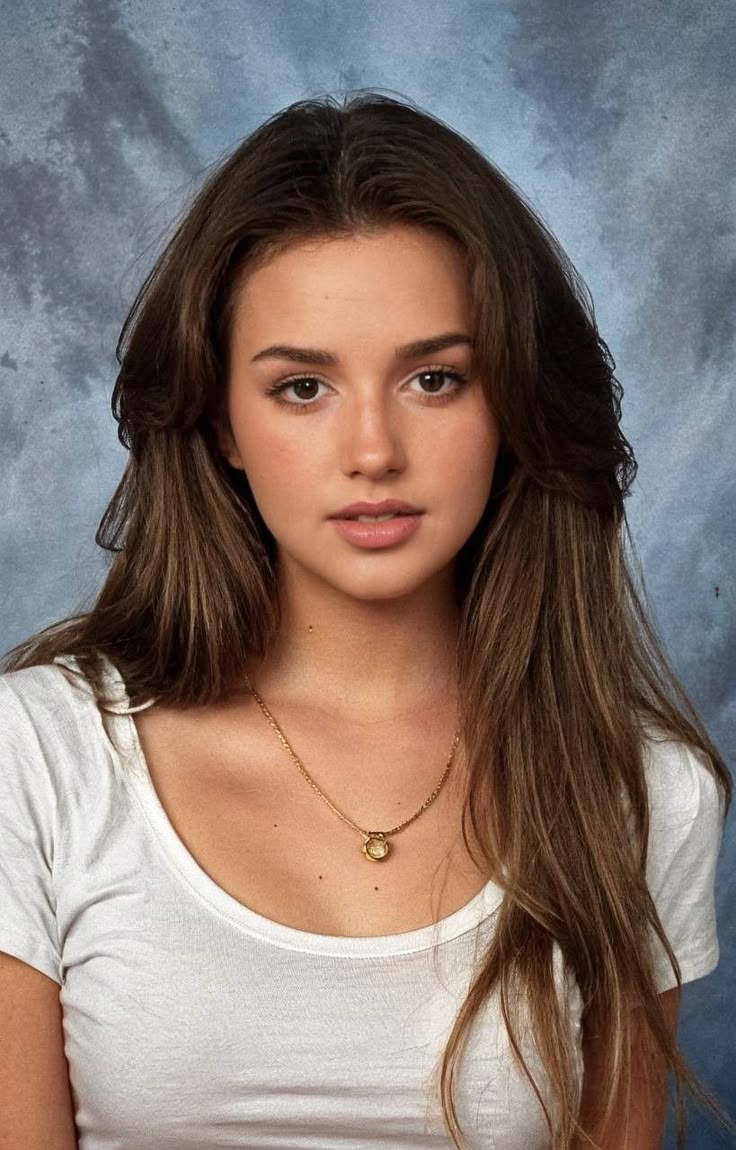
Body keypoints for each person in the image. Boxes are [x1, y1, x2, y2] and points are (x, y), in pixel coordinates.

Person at [0, 91, 731, 1150]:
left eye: (435, 378)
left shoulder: (637, 787)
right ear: (223, 423)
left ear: (515, 403)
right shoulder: (36, 751)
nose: (374, 449)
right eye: (302, 387)